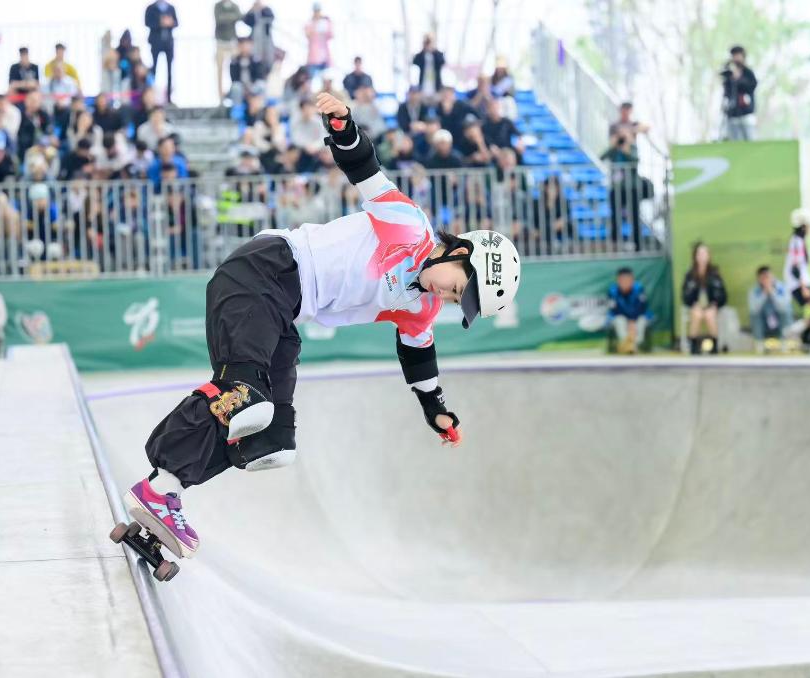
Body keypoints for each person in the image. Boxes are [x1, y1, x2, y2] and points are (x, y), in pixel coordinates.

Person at [120, 92, 521, 559]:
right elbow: (366, 171)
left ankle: (166, 490)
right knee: (243, 394)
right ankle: (159, 485)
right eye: (456, 287)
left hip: (284, 312)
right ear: (459, 252)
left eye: (454, 301)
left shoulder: (421, 308)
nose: (445, 297)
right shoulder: (410, 228)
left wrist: (436, 410)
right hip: (264, 271)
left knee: (271, 440)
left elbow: (418, 353)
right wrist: (343, 126)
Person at [785, 208, 810, 351]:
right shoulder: (797, 241)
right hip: (798, 284)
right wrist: (804, 287)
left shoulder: (801, 241)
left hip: (801, 283)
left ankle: (794, 330)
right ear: (803, 226)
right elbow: (796, 267)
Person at [682, 242, 727, 355]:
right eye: (700, 254)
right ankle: (694, 346)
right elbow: (685, 294)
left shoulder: (715, 273)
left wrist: (715, 304)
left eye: (705, 253)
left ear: (709, 255)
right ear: (695, 256)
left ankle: (714, 346)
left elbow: (722, 293)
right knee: (696, 314)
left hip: (711, 305)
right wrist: (693, 303)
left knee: (710, 315)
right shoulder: (690, 274)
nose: (702, 256)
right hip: (696, 305)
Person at [747, 265, 793, 353]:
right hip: (764, 324)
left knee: (786, 311)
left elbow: (783, 307)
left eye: (768, 277)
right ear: (759, 279)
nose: (766, 280)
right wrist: (764, 293)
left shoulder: (782, 288)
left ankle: (785, 343)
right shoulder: (754, 291)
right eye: (763, 278)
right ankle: (759, 345)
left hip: (779, 323)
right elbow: (754, 309)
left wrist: (772, 292)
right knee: (754, 314)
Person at [607, 267, 649, 354]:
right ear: (618, 280)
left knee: (642, 320)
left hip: (637, 316)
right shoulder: (612, 291)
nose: (625, 282)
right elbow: (614, 309)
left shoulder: (639, 289)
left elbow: (642, 307)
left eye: (628, 280)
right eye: (623, 280)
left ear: (632, 280)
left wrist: (632, 320)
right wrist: (628, 320)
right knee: (619, 320)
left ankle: (633, 345)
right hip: (621, 316)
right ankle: (627, 344)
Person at [722, 45, 757, 141]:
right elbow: (726, 91)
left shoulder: (748, 73)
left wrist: (739, 79)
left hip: (746, 113)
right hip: (732, 114)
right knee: (734, 140)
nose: (736, 58)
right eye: (734, 55)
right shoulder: (729, 74)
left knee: (749, 139)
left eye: (738, 55)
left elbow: (752, 86)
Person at [145, 0, 179, 100]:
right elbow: (147, 22)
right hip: (155, 43)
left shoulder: (171, 8)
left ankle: (169, 97)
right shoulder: (151, 8)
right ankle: (151, 96)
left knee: (169, 70)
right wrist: (160, 23)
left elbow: (176, 23)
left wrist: (170, 23)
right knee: (153, 69)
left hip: (168, 44)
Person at [214, 0, 243, 101]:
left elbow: (239, 17)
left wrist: (226, 17)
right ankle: (220, 98)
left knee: (236, 68)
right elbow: (219, 19)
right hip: (220, 42)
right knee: (219, 71)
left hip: (232, 42)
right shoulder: (218, 6)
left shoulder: (234, 5)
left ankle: (235, 95)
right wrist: (231, 17)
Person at [228, 37, 269, 106]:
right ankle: (237, 108)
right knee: (236, 87)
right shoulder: (234, 61)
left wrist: (251, 87)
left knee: (261, 85)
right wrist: (245, 88)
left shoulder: (256, 60)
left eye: (247, 45)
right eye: (243, 45)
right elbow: (234, 79)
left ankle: (261, 106)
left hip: (254, 85)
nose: (245, 47)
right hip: (241, 87)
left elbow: (260, 76)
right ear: (239, 46)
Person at [412, 34, 445, 101]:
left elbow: (442, 62)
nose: (428, 44)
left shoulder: (437, 54)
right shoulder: (422, 54)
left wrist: (433, 50)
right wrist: (423, 49)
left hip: (436, 87)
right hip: (423, 87)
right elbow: (415, 61)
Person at [243, 1, 276, 67]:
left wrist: (263, 8)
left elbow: (271, 17)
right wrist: (252, 10)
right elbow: (245, 20)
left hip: (266, 39)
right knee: (255, 56)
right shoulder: (252, 12)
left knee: (268, 56)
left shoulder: (267, 10)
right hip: (254, 39)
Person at [304, 3, 333, 75]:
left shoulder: (325, 22)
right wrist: (315, 23)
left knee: (326, 77)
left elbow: (331, 35)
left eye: (318, 11)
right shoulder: (310, 23)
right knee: (313, 78)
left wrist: (328, 22)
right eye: (316, 11)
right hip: (313, 59)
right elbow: (307, 35)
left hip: (325, 59)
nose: (317, 13)